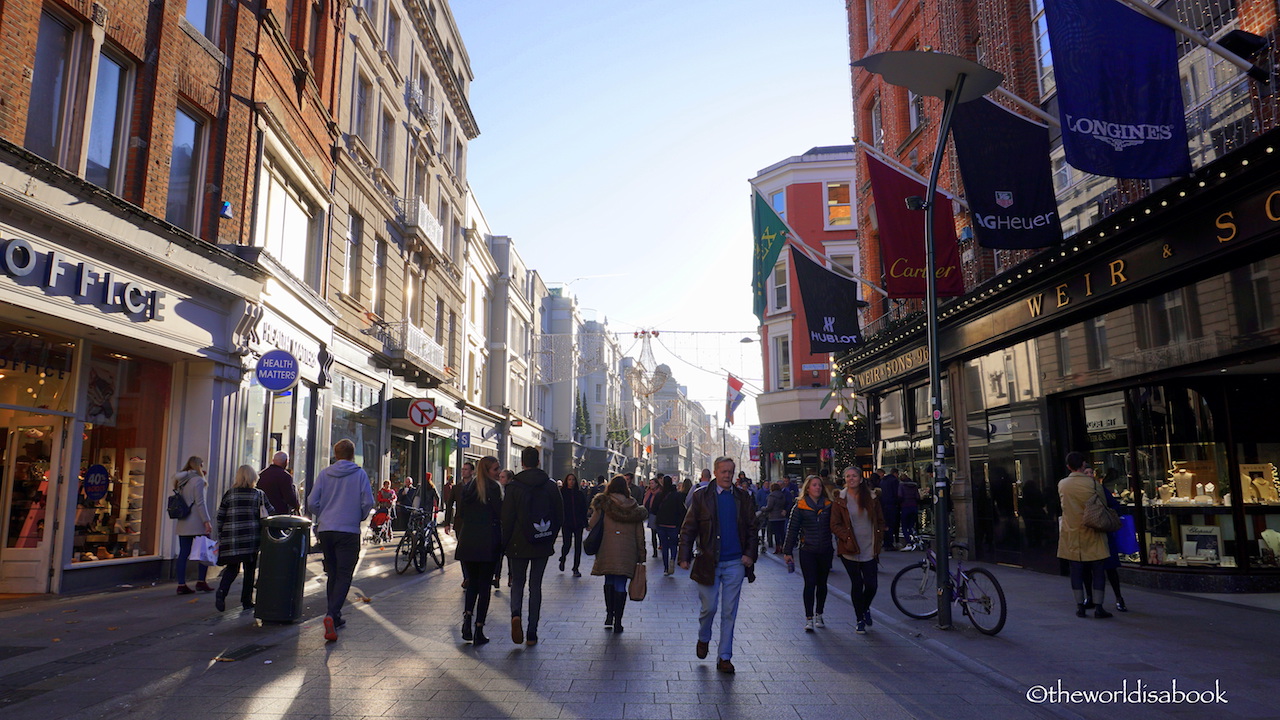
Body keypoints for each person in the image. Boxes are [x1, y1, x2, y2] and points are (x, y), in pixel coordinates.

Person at [678, 456, 758, 674]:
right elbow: (689, 528)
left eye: (730, 472)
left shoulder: (743, 497)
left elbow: (752, 528)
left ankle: (725, 657)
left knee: (729, 611)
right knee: (709, 607)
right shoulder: (701, 496)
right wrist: (683, 555)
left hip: (735, 562)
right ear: (715, 472)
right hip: (708, 561)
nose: (727, 476)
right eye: (723, 471)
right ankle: (704, 637)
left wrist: (749, 554)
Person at [308, 439, 375, 641]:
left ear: (335, 454)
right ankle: (331, 614)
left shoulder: (324, 474)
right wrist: (358, 516)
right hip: (348, 531)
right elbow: (368, 502)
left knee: (333, 573)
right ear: (352, 455)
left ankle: (335, 616)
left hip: (327, 530)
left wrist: (323, 514)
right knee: (344, 575)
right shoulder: (359, 474)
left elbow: (312, 502)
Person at [501, 447, 564, 646]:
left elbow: (507, 518)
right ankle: (532, 633)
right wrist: (550, 538)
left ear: (522, 463)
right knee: (536, 585)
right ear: (539, 462)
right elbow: (559, 515)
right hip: (541, 541)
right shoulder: (551, 486)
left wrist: (505, 544)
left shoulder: (513, 487)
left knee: (518, 581)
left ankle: (515, 614)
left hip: (518, 543)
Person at [1057, 452, 1113, 619]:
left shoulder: (1062, 484)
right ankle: (1098, 607)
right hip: (1093, 530)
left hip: (1071, 531)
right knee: (1098, 570)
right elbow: (1103, 504)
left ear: (1068, 467)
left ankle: (1080, 606)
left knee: (1076, 571)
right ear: (1083, 465)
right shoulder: (1092, 483)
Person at [589, 475, 648, 633]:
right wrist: (642, 555)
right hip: (627, 552)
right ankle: (618, 622)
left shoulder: (603, 504)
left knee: (609, 579)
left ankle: (609, 614)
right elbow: (640, 535)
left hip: (606, 549)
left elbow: (591, 524)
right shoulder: (634, 507)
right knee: (620, 584)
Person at [456, 456, 504, 645]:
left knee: (472, 584)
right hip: (487, 543)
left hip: (468, 541)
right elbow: (501, 514)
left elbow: (462, 513)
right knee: (484, 587)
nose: (498, 472)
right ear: (487, 470)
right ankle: (479, 628)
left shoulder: (468, 488)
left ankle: (467, 620)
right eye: (495, 469)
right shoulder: (494, 488)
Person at [831, 466, 885, 634]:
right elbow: (834, 524)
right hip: (849, 549)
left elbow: (880, 520)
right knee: (857, 584)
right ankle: (859, 618)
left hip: (869, 547)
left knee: (871, 585)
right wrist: (846, 537)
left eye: (854, 476)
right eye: (848, 476)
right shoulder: (840, 499)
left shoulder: (872, 498)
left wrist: (880, 537)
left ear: (861, 479)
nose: (851, 479)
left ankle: (865, 607)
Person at [214, 464, 273, 612]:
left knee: (232, 568)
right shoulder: (258, 494)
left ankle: (221, 592)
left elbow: (220, 516)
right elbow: (270, 513)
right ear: (253, 477)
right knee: (249, 570)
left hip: (231, 537)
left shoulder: (230, 494)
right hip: (250, 537)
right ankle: (246, 600)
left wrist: (221, 535)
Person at [784, 475, 835, 633]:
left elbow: (836, 525)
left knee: (822, 584)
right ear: (807, 488)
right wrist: (787, 551)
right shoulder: (800, 506)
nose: (818, 488)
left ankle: (819, 613)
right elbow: (792, 530)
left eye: (819, 485)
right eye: (814, 485)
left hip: (825, 549)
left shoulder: (829, 505)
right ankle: (809, 618)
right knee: (810, 583)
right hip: (808, 550)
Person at [1082, 466, 1130, 613]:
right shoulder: (1081, 491)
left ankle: (1118, 598)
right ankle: (1090, 597)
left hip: (1103, 532)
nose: (1090, 475)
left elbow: (1115, 506)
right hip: (1088, 532)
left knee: (1110, 567)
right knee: (1087, 568)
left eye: (1091, 472)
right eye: (1086, 473)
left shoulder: (1101, 489)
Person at [172, 456, 213, 595]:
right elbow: (200, 503)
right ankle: (201, 581)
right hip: (196, 521)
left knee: (183, 553)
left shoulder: (181, 481)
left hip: (183, 520)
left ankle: (181, 584)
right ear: (198, 466)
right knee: (204, 552)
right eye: (202, 465)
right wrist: (206, 521)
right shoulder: (198, 481)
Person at [654, 476, 685, 576]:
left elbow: (653, 510)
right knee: (673, 544)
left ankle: (666, 568)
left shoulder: (659, 495)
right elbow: (682, 510)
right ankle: (673, 559)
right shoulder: (677, 495)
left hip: (661, 524)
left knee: (664, 545)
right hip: (673, 524)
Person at [559, 472, 589, 577]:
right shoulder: (562, 493)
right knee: (566, 544)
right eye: (569, 480)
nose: (571, 482)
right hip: (566, 523)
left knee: (578, 547)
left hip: (578, 524)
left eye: (573, 480)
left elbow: (584, 509)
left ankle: (575, 568)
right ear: (566, 481)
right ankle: (562, 558)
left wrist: (585, 522)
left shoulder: (579, 494)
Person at [495, 468, 516, 589]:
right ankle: (497, 577)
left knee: (509, 554)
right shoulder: (497, 489)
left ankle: (510, 577)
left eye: (503, 477)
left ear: (509, 479)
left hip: (509, 527)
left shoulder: (511, 491)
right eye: (500, 476)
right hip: (500, 526)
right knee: (499, 555)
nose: (500, 478)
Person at [763, 483, 790, 553]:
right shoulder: (782, 495)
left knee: (776, 533)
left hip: (774, 517)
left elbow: (769, 507)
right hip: (781, 516)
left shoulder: (771, 496)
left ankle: (778, 548)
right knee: (782, 532)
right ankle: (784, 546)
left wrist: (763, 508)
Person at [898, 472, 920, 549]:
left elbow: (900, 495)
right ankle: (914, 540)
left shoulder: (901, 485)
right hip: (913, 506)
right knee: (911, 526)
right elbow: (918, 497)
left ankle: (909, 542)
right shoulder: (914, 485)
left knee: (904, 526)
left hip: (905, 506)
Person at [880, 468, 901, 549]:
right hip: (892, 505)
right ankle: (890, 543)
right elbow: (897, 493)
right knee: (892, 524)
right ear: (895, 473)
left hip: (884, 505)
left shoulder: (883, 481)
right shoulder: (894, 481)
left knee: (886, 525)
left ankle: (886, 542)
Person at [642, 476, 662, 558]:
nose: (651, 485)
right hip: (652, 514)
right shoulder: (648, 492)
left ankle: (662, 545)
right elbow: (646, 502)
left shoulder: (660, 492)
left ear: (657, 484)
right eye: (650, 483)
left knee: (660, 533)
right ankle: (654, 551)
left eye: (652, 483)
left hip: (660, 515)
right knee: (653, 533)